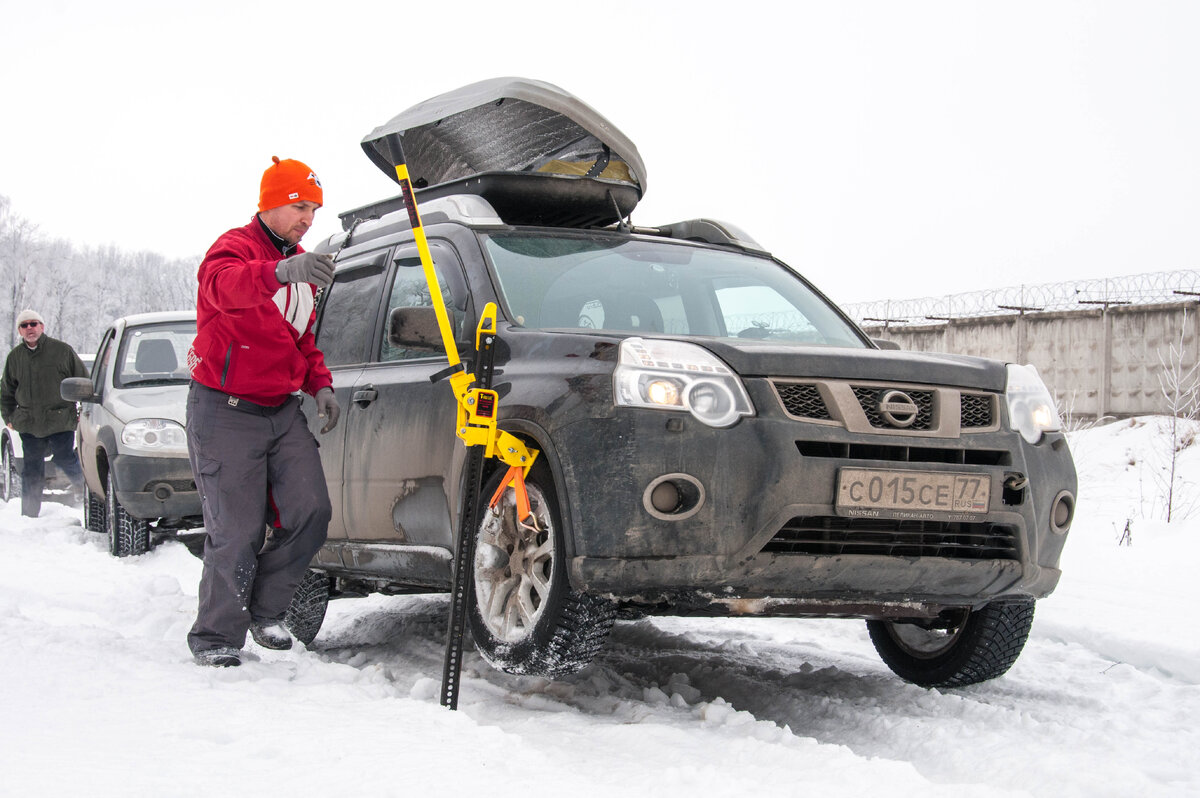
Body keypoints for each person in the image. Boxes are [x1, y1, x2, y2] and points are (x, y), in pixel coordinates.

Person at [186, 156, 341, 668]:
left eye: (314, 210)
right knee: (237, 529)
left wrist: (321, 385)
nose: (308, 219)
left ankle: (265, 609)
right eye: (300, 206)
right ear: (271, 203)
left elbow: (301, 340)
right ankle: (216, 638)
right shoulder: (234, 248)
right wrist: (278, 270)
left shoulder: (302, 269)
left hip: (281, 409)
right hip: (225, 409)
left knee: (312, 511)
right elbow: (221, 287)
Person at [1, 309, 88, 517]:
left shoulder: (62, 351)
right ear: (20, 331)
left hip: (60, 420)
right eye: (24, 325)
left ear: (42, 326)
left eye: (33, 324)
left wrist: (82, 412)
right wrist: (9, 417)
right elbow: (6, 391)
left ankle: (89, 496)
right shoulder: (15, 357)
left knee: (66, 459)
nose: (29, 328)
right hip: (30, 424)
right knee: (31, 468)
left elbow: (83, 382)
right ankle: (29, 515)